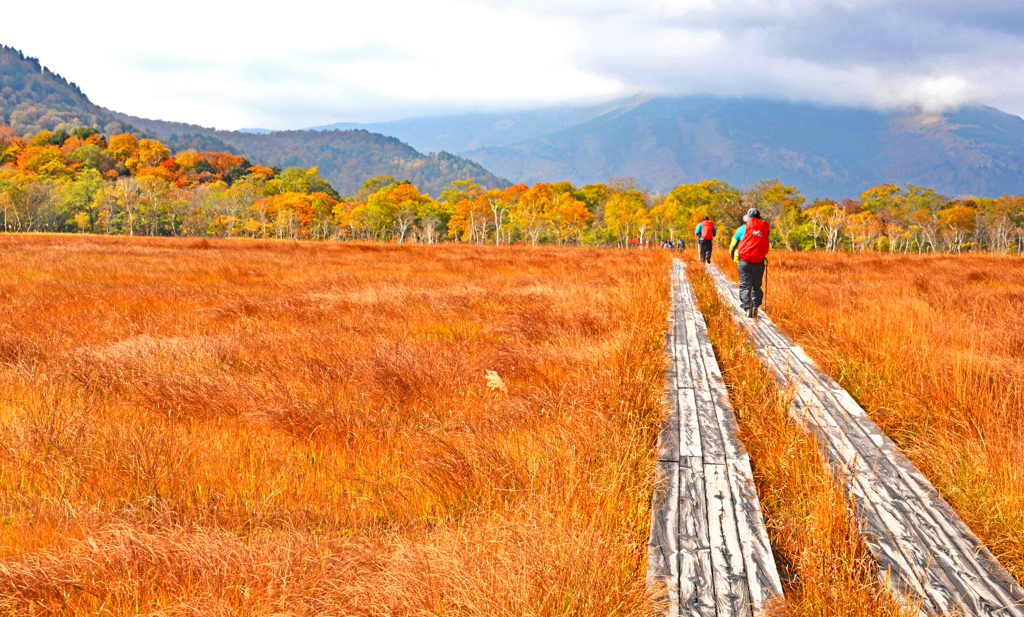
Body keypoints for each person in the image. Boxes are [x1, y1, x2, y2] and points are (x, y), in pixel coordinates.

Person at [729, 208, 771, 318]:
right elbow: (769, 245)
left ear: (747, 218)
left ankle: (747, 308)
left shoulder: (742, 228)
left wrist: (731, 253)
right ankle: (755, 307)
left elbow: (733, 244)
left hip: (744, 260)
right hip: (759, 261)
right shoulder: (763, 229)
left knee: (745, 284)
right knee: (757, 285)